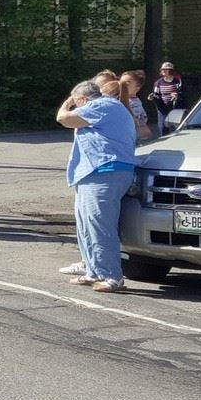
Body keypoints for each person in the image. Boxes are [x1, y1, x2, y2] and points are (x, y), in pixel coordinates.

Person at [56, 79, 137, 293]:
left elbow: (63, 118)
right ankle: (93, 271)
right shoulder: (106, 107)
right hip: (92, 173)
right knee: (86, 226)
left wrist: (67, 103)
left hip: (105, 172)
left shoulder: (101, 105)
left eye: (76, 102)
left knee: (100, 226)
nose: (75, 107)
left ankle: (112, 276)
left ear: (82, 99)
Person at [149, 61, 184, 135]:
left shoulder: (177, 81)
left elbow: (183, 92)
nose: (163, 71)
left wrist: (177, 95)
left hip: (175, 108)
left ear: (170, 71)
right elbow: (156, 94)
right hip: (163, 108)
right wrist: (153, 97)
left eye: (165, 69)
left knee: (175, 128)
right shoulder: (158, 83)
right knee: (163, 128)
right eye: (162, 69)